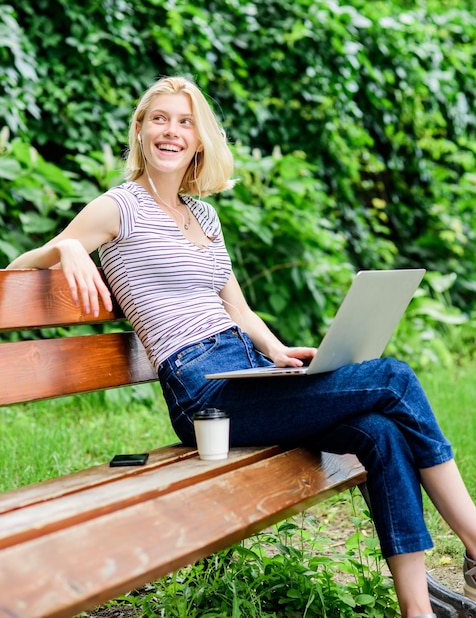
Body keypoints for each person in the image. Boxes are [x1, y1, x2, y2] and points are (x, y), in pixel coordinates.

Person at [7, 75, 476, 618]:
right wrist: (66, 249)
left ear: (199, 140)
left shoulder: (204, 214)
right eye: (159, 119)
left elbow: (237, 307)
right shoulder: (118, 207)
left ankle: (417, 611)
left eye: (185, 122)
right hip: (202, 391)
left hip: (249, 371)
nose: (171, 131)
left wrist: (278, 353)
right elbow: (23, 266)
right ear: (139, 131)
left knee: (382, 430)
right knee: (393, 377)